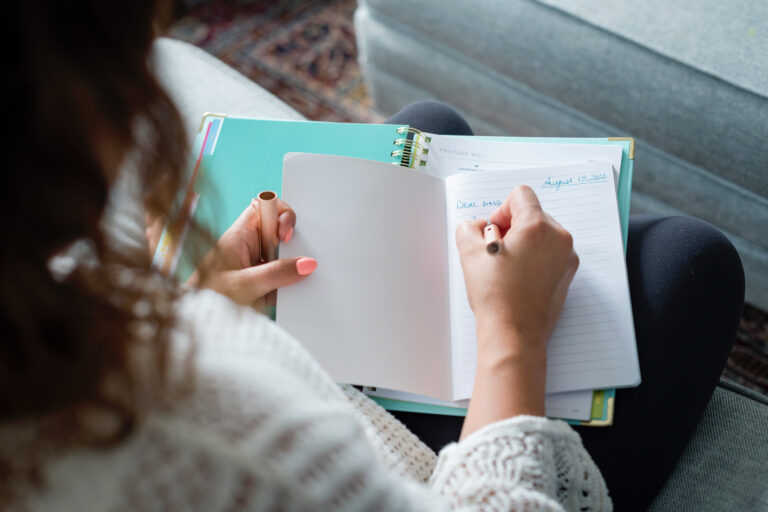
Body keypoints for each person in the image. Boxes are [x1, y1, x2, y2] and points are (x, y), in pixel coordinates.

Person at [2, 2, 743, 512]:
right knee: (693, 259)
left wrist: (195, 301)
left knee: (430, 131)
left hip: (325, 394)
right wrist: (512, 338)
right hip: (427, 476)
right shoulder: (207, 437)